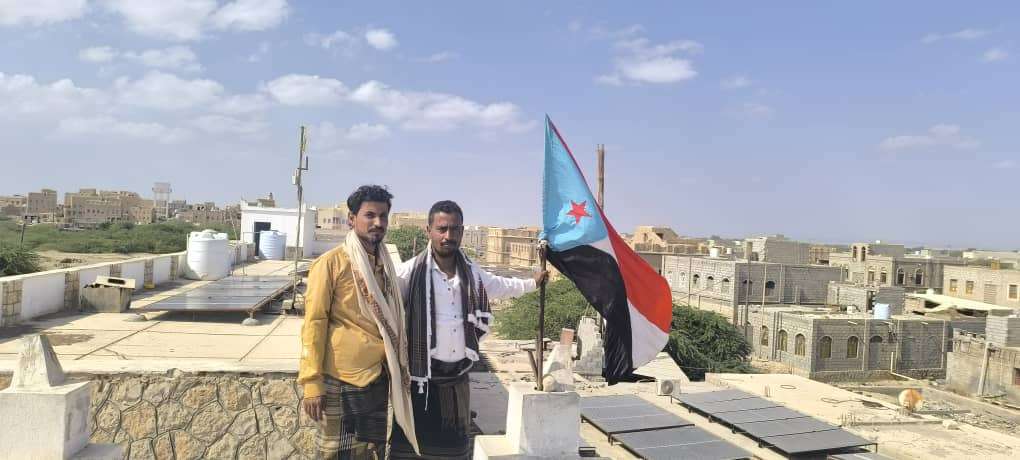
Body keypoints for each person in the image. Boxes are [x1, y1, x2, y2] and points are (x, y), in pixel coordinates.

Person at [390, 200, 547, 459]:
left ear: (462, 232)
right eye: (441, 229)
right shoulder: (408, 274)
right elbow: (382, 302)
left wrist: (533, 283)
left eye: (454, 229)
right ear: (429, 231)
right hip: (420, 383)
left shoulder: (473, 274)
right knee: (410, 451)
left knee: (454, 452)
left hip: (457, 381)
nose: (448, 236)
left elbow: (501, 285)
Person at [298, 185, 419, 459]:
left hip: (377, 379)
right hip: (341, 380)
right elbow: (314, 322)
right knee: (334, 455)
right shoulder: (331, 264)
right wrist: (312, 382)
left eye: (383, 216)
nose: (378, 222)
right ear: (352, 219)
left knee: (370, 453)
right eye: (370, 215)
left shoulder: (385, 266)